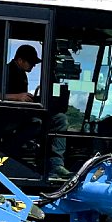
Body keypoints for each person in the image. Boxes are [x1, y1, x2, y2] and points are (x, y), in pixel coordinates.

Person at [5, 45, 71, 178]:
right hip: (9, 119)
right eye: (31, 63)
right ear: (20, 60)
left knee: (59, 119)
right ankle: (18, 157)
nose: (33, 66)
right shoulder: (6, 71)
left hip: (23, 115)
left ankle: (55, 164)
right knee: (39, 124)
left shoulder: (21, 73)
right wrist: (17, 97)